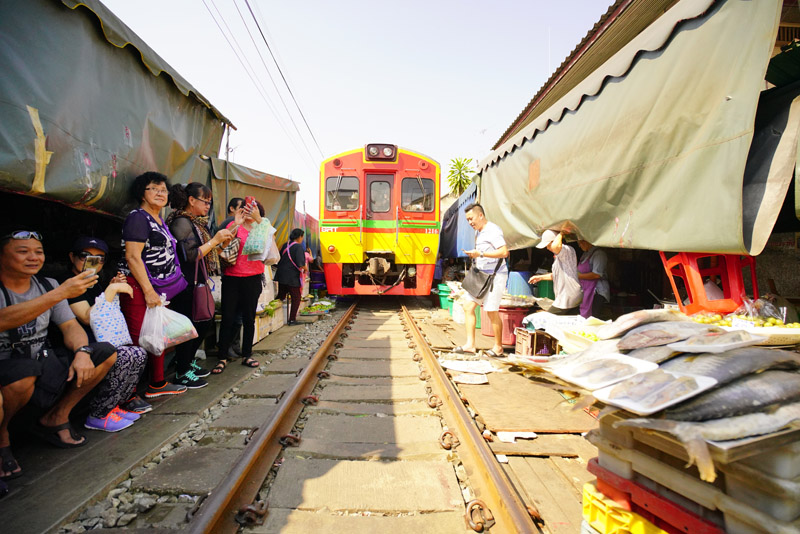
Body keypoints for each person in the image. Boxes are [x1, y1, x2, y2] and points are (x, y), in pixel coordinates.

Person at [0, 229, 117, 476]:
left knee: (104, 353)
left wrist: (83, 351)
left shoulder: (47, 284)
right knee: (24, 371)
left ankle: (56, 416)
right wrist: (60, 293)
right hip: (9, 368)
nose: (33, 257)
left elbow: (70, 326)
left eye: (38, 252)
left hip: (42, 363)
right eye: (23, 251)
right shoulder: (53, 289)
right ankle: (3, 435)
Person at [57, 236, 147, 431]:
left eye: (99, 259)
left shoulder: (95, 281)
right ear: (72, 257)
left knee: (138, 353)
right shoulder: (69, 283)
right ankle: (98, 414)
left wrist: (110, 287)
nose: (92, 262)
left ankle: (112, 407)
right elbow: (87, 317)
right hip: (79, 345)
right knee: (122, 355)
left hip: (100, 341)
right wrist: (112, 289)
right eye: (85, 256)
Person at [118, 172, 187, 403]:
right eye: (153, 189)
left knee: (156, 333)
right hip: (138, 287)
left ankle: (157, 383)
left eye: (164, 190)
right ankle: (127, 395)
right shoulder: (138, 217)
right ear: (142, 193)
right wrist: (148, 290)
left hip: (156, 287)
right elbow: (133, 257)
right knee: (139, 338)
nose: (160, 193)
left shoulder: (158, 220)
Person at [166, 183, 236, 388]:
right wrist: (215, 241)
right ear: (191, 200)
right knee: (191, 325)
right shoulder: (181, 222)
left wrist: (219, 241)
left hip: (196, 281)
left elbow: (208, 251)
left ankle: (186, 363)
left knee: (203, 321)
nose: (208, 206)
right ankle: (182, 371)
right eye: (205, 201)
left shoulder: (196, 223)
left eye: (209, 202)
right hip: (185, 283)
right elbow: (190, 255)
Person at [215, 200, 266, 373]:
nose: (250, 212)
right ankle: (222, 357)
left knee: (249, 319)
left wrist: (260, 220)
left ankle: (247, 354)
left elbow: (270, 247)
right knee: (228, 318)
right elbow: (220, 248)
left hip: (253, 278)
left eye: (254, 209)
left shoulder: (262, 226)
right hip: (232, 278)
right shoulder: (233, 224)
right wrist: (235, 225)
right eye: (248, 209)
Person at [458, 203, 508, 358]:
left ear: (481, 215)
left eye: (471, 218)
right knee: (468, 307)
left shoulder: (492, 230)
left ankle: (498, 348)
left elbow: (504, 252)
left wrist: (480, 254)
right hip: (481, 276)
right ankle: (470, 345)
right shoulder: (479, 232)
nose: (470, 222)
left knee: (491, 311)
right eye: (467, 220)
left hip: (495, 276)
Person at [529, 230, 582, 315]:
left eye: (548, 244)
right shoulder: (559, 256)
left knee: (549, 320)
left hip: (567, 296)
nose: (547, 248)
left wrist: (561, 233)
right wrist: (540, 277)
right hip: (569, 296)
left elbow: (555, 247)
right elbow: (557, 275)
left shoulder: (566, 250)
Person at [275, 229, 307, 326]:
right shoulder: (298, 247)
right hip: (292, 277)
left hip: (281, 275)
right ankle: (292, 320)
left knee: (280, 296)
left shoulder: (286, 245)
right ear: (300, 237)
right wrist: (305, 269)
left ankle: (276, 321)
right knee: (296, 298)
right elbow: (300, 263)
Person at [577, 240, 611, 319]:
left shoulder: (599, 254)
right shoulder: (586, 254)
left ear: (587, 242)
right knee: (585, 318)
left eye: (580, 243)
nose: (579, 246)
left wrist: (579, 276)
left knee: (593, 318)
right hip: (586, 290)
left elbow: (597, 274)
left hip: (597, 291)